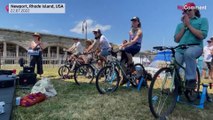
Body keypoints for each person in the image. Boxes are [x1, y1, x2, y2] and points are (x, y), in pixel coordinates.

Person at [174, 2, 209, 89]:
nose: (187, 12)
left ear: (195, 10)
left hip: (195, 47)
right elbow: (176, 39)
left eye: (189, 9)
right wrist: (184, 26)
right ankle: (176, 85)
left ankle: (191, 80)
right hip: (180, 49)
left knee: (189, 53)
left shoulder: (202, 20)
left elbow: (202, 35)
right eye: (185, 11)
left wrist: (189, 25)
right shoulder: (180, 25)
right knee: (174, 64)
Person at [119, 16, 143, 85]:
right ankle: (125, 77)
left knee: (126, 49)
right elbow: (130, 41)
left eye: (135, 21)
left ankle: (131, 63)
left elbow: (134, 41)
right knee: (121, 62)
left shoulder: (139, 31)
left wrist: (124, 45)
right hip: (131, 46)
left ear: (138, 22)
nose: (133, 22)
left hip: (137, 46)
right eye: (132, 21)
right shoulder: (130, 31)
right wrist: (123, 45)